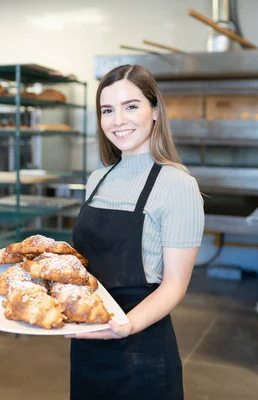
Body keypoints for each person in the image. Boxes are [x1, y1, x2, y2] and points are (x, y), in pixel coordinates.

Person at [66, 64, 204, 400]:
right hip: (87, 343)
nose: (118, 121)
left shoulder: (177, 185)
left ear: (154, 111)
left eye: (131, 106)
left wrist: (126, 325)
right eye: (107, 110)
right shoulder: (98, 179)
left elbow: (175, 285)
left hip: (141, 353)